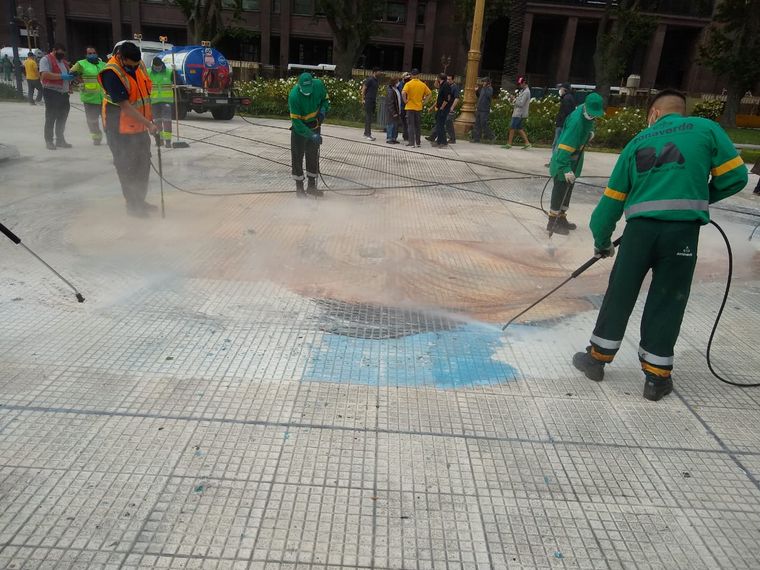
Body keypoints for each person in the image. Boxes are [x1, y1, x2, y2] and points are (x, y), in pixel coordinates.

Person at [572, 89, 748, 401]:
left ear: (654, 114)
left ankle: (597, 359)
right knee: (668, 298)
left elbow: (610, 204)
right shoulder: (706, 129)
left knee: (621, 291)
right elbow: (736, 176)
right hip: (682, 233)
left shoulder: (637, 142)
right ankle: (656, 378)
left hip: (639, 232)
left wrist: (602, 242)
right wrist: (697, 198)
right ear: (681, 110)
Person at [97, 41, 159, 217]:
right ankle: (133, 206)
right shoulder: (111, 73)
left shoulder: (138, 66)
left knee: (143, 165)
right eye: (130, 66)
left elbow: (144, 96)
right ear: (121, 57)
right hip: (119, 130)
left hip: (139, 127)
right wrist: (149, 124)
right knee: (127, 168)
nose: (134, 69)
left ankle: (140, 200)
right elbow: (125, 106)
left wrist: (149, 120)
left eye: (136, 65)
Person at [547, 92, 605, 234]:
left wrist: (589, 133)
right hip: (564, 162)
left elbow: (587, 126)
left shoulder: (585, 112)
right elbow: (563, 150)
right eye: (591, 114)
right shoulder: (576, 123)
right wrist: (566, 169)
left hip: (574, 161)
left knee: (567, 192)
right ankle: (552, 222)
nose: (593, 117)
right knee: (560, 191)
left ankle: (561, 218)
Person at [288, 72, 330, 198]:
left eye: (309, 89)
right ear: (299, 86)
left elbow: (325, 100)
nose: (307, 92)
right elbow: (296, 121)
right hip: (299, 130)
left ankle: (311, 187)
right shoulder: (294, 96)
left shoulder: (318, 85)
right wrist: (311, 135)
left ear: (312, 84)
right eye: (304, 90)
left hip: (315, 126)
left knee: (312, 156)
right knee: (297, 157)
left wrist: (323, 110)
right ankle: (299, 188)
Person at [39, 43, 74, 150]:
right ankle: (49, 141)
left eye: (63, 54)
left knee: (62, 117)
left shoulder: (63, 62)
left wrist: (70, 82)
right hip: (51, 92)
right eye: (60, 53)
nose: (61, 55)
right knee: (51, 117)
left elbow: (67, 76)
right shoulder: (46, 60)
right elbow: (44, 74)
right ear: (54, 50)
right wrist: (62, 76)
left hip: (64, 94)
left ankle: (60, 140)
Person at [70, 46, 107, 145]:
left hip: (104, 97)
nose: (92, 55)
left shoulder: (103, 64)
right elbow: (72, 73)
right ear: (86, 55)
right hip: (89, 97)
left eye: (94, 53)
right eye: (90, 53)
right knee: (92, 120)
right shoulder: (81, 64)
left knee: (107, 120)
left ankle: (111, 137)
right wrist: (80, 80)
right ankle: (96, 138)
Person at [147, 57, 174, 148]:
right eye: (156, 67)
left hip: (166, 101)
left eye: (159, 66)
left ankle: (168, 141)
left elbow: (177, 81)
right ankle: (159, 140)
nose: (158, 68)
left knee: (167, 121)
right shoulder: (148, 72)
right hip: (154, 101)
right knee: (157, 121)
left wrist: (175, 72)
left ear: (162, 64)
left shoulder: (169, 72)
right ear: (153, 66)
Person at [402, 68, 431, 148]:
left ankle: (411, 142)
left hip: (410, 107)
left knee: (410, 125)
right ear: (418, 75)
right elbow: (429, 93)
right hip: (418, 107)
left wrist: (405, 101)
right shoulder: (422, 84)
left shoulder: (408, 84)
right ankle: (418, 142)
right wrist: (424, 102)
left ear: (411, 75)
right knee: (417, 125)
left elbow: (403, 92)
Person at [503, 76, 531, 150]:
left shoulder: (526, 92)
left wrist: (514, 99)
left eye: (520, 83)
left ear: (524, 83)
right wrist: (514, 99)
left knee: (512, 127)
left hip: (519, 113)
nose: (519, 85)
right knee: (519, 128)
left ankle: (509, 144)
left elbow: (521, 104)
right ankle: (527, 143)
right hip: (518, 112)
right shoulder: (523, 91)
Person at [552, 83, 575, 154]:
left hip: (562, 124)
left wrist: (560, 122)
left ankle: (554, 159)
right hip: (564, 123)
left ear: (565, 89)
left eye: (561, 89)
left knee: (557, 143)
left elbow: (566, 112)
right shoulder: (569, 97)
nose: (559, 90)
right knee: (559, 142)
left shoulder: (566, 98)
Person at [432, 73, 453, 148]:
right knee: (438, 125)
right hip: (440, 108)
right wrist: (436, 80)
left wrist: (442, 107)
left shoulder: (446, 85)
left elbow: (447, 98)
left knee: (440, 125)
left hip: (443, 109)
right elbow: (436, 86)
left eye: (437, 78)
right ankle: (439, 141)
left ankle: (444, 142)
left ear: (439, 78)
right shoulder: (442, 84)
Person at [472, 77, 494, 143]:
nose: (483, 83)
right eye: (483, 82)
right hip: (479, 108)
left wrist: (485, 88)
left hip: (485, 110)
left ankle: (491, 136)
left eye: (484, 82)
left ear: (488, 82)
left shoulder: (490, 89)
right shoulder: (483, 88)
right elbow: (479, 96)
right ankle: (476, 139)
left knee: (484, 123)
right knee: (477, 124)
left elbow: (488, 96)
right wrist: (476, 91)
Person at [361, 67, 380, 141]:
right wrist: (363, 99)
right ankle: (368, 134)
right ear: (374, 72)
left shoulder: (376, 80)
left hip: (373, 100)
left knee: (369, 117)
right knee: (368, 117)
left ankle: (366, 133)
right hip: (368, 100)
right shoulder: (370, 79)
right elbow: (364, 88)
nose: (379, 73)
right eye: (378, 72)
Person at [385, 77, 402, 144]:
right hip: (392, 112)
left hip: (397, 110)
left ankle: (394, 138)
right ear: (394, 82)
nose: (398, 83)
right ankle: (390, 138)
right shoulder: (390, 91)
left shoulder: (396, 89)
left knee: (395, 125)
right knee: (391, 125)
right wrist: (393, 112)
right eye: (397, 81)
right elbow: (390, 103)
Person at [445, 74, 460, 144]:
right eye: (447, 79)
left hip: (450, 108)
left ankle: (452, 138)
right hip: (445, 107)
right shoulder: (447, 85)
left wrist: (452, 107)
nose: (448, 81)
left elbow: (457, 98)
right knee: (441, 121)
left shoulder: (455, 87)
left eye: (449, 79)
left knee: (448, 122)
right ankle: (433, 136)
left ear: (453, 80)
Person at [399, 71, 411, 141]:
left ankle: (406, 135)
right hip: (403, 105)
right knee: (405, 121)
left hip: (406, 105)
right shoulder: (401, 84)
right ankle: (406, 135)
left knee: (407, 121)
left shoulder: (406, 84)